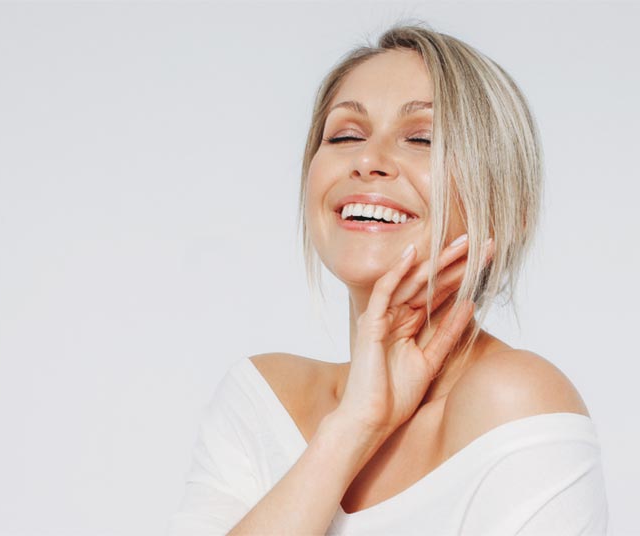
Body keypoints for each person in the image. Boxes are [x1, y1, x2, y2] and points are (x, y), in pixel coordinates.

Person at [167, 21, 609, 536]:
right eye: (345, 135)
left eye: (421, 138)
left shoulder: (513, 398)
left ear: (506, 207)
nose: (367, 160)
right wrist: (354, 427)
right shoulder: (260, 397)